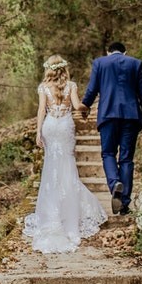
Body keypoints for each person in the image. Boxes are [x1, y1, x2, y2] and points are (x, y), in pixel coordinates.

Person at [23, 55, 107, 253]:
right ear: (64, 69)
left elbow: (42, 110)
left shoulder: (43, 88)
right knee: (68, 166)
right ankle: (69, 218)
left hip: (51, 127)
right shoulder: (72, 86)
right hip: (65, 127)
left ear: (49, 69)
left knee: (51, 169)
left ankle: (52, 214)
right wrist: (88, 108)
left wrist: (38, 132)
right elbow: (78, 107)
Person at [80, 41, 142, 215]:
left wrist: (85, 107)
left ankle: (114, 184)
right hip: (131, 116)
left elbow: (92, 89)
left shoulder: (99, 63)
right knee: (126, 159)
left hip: (107, 115)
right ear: (125, 52)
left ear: (108, 52)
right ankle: (124, 204)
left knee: (108, 153)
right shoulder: (135, 63)